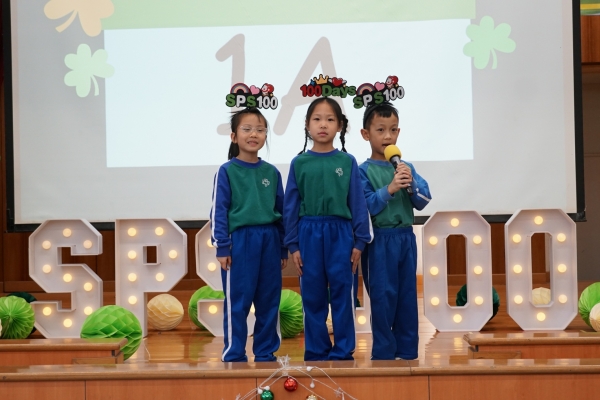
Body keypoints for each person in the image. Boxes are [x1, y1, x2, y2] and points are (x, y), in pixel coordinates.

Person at [284, 97, 373, 361]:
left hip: (341, 234)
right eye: (317, 119)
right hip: (308, 234)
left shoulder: (347, 162)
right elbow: (290, 206)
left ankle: (343, 350)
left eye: (330, 119)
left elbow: (357, 203)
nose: (323, 125)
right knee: (312, 296)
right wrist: (293, 245)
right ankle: (316, 350)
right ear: (307, 125)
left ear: (340, 126)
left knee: (343, 294)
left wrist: (359, 241)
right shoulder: (299, 163)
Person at [210, 107, 287, 362]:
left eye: (260, 130)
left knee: (269, 299)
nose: (254, 134)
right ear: (234, 136)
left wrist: (283, 247)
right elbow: (219, 210)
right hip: (240, 242)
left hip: (269, 241)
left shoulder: (272, 172)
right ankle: (234, 352)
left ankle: (265, 351)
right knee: (238, 301)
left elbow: (281, 212)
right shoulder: (227, 171)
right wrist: (222, 246)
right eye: (247, 129)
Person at [359, 101, 431, 360]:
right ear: (366, 134)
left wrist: (411, 184)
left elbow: (423, 200)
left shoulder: (405, 167)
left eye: (392, 130)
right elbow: (365, 207)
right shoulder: (363, 171)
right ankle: (384, 354)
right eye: (380, 130)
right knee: (383, 297)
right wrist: (389, 189)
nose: (387, 136)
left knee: (407, 297)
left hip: (405, 239)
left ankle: (408, 351)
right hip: (379, 241)